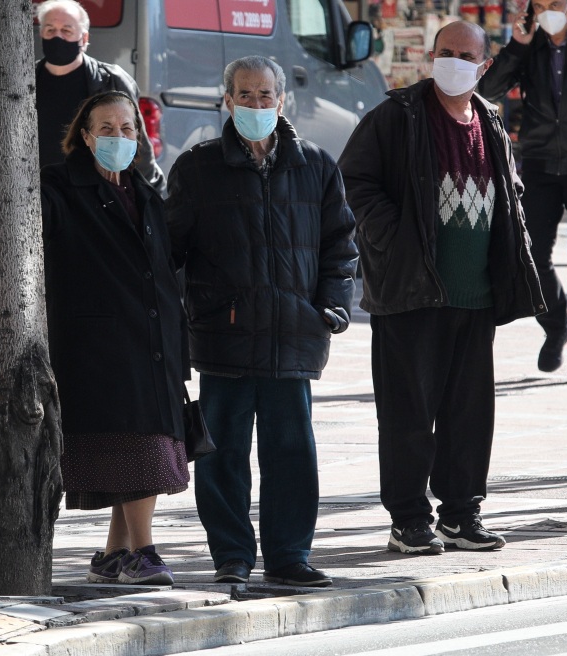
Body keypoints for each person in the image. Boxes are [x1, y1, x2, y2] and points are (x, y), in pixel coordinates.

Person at [338, 21, 545, 555]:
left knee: (469, 416)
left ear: (484, 65)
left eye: (465, 55)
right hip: (411, 292)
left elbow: (510, 195)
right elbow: (354, 181)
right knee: (408, 415)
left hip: (474, 298)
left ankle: (461, 514)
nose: (453, 62)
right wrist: (394, 239)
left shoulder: (490, 122)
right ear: (431, 57)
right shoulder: (396, 117)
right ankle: (408, 519)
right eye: (445, 52)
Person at [165, 56, 358, 587]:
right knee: (222, 454)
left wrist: (332, 306)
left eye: (265, 94)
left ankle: (289, 554)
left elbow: (341, 247)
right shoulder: (198, 167)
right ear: (226, 100)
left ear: (282, 99)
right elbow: (169, 254)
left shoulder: (316, 165)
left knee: (291, 454)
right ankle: (232, 554)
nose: (256, 103)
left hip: (294, 334)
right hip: (223, 336)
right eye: (244, 95)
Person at [40, 91, 189, 585]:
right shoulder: (59, 187)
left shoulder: (145, 191)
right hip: (100, 344)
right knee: (137, 448)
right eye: (107, 129)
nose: (119, 138)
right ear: (85, 136)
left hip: (152, 340)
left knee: (139, 444)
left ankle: (115, 552)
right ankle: (144, 552)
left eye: (128, 129)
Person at [478, 0, 567, 382]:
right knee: (529, 255)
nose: (549, 10)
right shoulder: (531, 45)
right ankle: (555, 324)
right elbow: (489, 89)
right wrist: (517, 46)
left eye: (556, 3)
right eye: (541, 4)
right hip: (541, 163)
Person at [35, 0, 165, 194]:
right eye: (50, 30)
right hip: (40, 192)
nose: (57, 37)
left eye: (67, 31)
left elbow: (137, 145)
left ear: (84, 38)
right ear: (41, 33)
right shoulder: (25, 81)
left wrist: (153, 194)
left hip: (93, 194)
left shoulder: (110, 81)